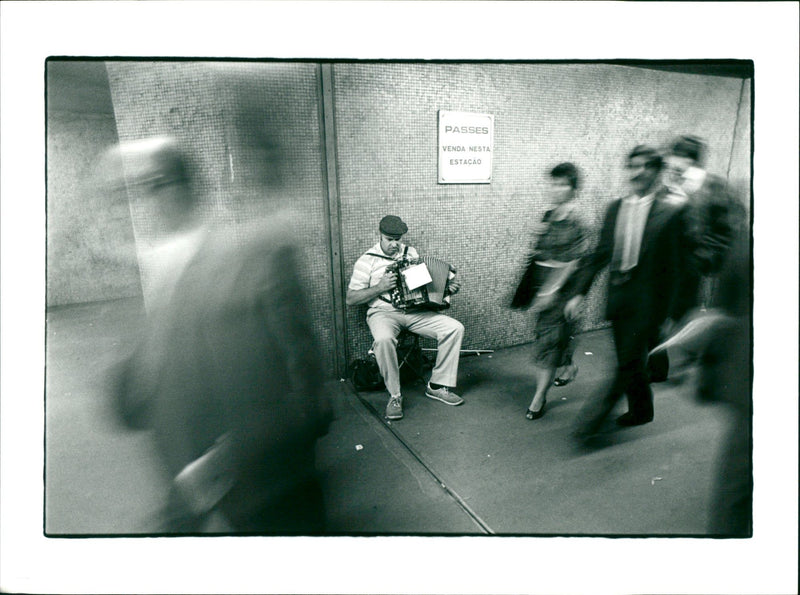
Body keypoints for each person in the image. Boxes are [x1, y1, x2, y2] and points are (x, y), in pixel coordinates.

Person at [107, 138, 332, 534]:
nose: (142, 203)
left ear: (182, 186)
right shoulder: (162, 268)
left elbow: (304, 380)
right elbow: (138, 393)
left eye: (152, 186)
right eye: (132, 192)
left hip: (260, 483)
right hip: (191, 480)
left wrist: (234, 458)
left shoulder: (257, 256)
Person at [566, 145, 686, 439]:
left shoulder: (669, 213)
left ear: (656, 172)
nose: (637, 172)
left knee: (627, 362)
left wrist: (673, 313)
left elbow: (677, 269)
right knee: (629, 358)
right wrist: (579, 293)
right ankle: (642, 410)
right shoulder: (615, 208)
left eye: (644, 166)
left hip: (648, 302)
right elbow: (600, 254)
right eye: (632, 166)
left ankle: (590, 424)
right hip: (619, 296)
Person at [346, 215, 465, 421]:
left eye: (397, 239)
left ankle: (437, 386)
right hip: (382, 312)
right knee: (383, 340)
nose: (394, 244)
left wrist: (447, 289)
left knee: (454, 328)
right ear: (380, 236)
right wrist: (380, 287)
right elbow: (351, 298)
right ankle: (394, 395)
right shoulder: (367, 260)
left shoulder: (411, 254)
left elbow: (427, 288)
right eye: (389, 239)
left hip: (414, 312)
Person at [511, 162, 589, 420]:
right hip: (542, 283)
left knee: (547, 340)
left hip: (561, 287)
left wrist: (552, 290)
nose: (556, 189)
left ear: (574, 189)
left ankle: (539, 397)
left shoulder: (577, 221)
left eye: (563, 184)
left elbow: (574, 261)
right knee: (554, 335)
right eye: (553, 183)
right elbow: (540, 250)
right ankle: (567, 365)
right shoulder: (548, 215)